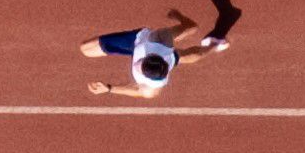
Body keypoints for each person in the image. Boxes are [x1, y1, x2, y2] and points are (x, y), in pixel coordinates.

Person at [80, 9, 227, 98]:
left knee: (86, 50)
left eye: (140, 64)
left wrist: (109, 88)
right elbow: (167, 35)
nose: (138, 63)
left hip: (142, 45)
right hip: (139, 40)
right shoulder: (159, 41)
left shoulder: (152, 85)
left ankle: (215, 44)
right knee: (86, 49)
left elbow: (140, 91)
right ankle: (189, 26)